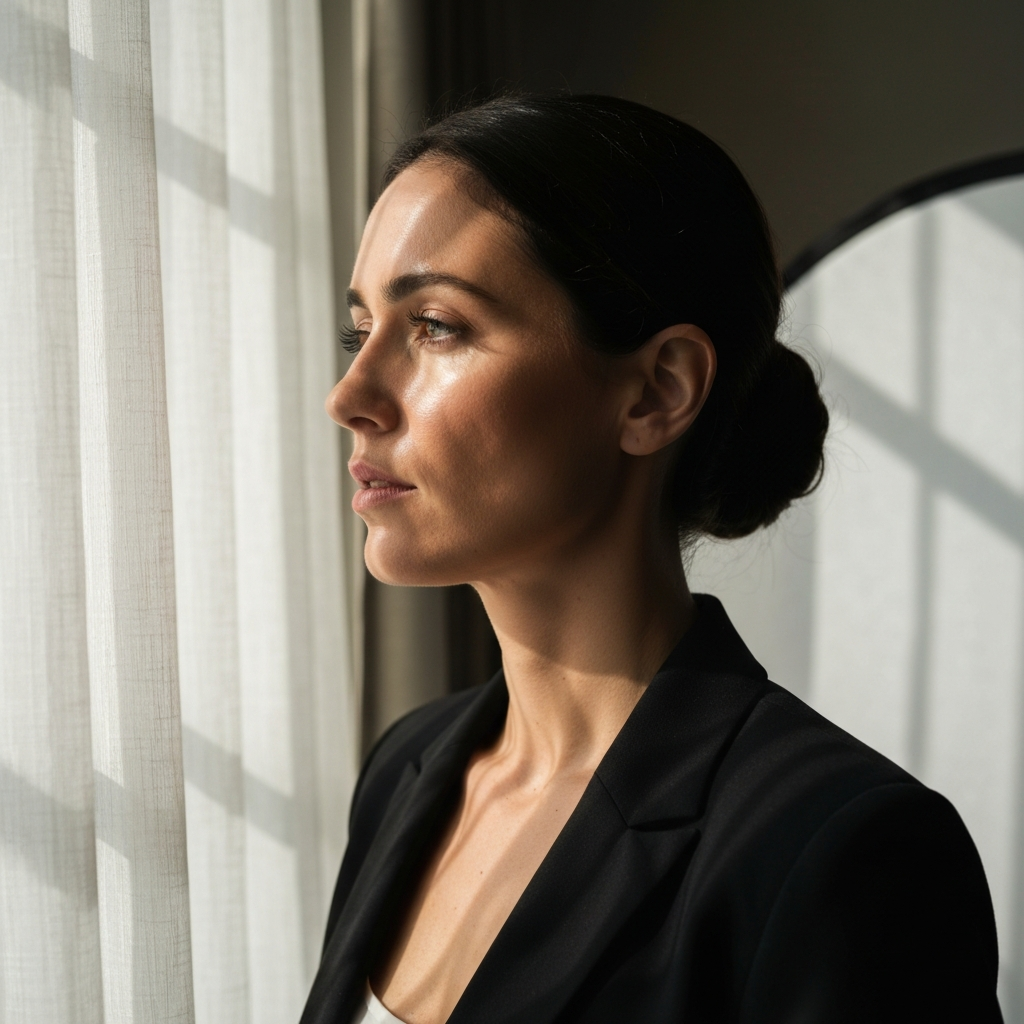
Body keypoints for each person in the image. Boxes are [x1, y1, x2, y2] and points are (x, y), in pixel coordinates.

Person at [300, 95, 1002, 1024]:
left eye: (436, 325)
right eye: (362, 331)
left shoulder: (836, 848)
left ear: (656, 392)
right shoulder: (406, 771)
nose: (351, 394)